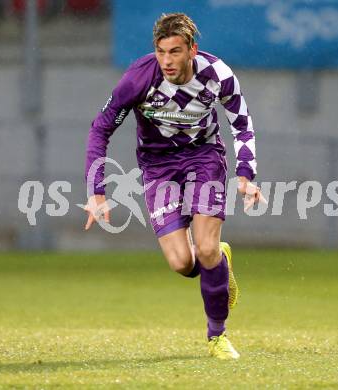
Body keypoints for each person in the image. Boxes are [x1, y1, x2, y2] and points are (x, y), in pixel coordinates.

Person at [84, 13, 264, 360]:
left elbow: (241, 122)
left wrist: (246, 174)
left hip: (204, 158)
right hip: (158, 167)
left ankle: (217, 336)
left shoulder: (218, 74)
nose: (167, 60)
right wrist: (96, 190)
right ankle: (219, 264)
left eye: (175, 52)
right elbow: (100, 129)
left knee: (206, 247)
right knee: (183, 262)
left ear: (192, 49)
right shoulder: (138, 78)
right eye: (161, 51)